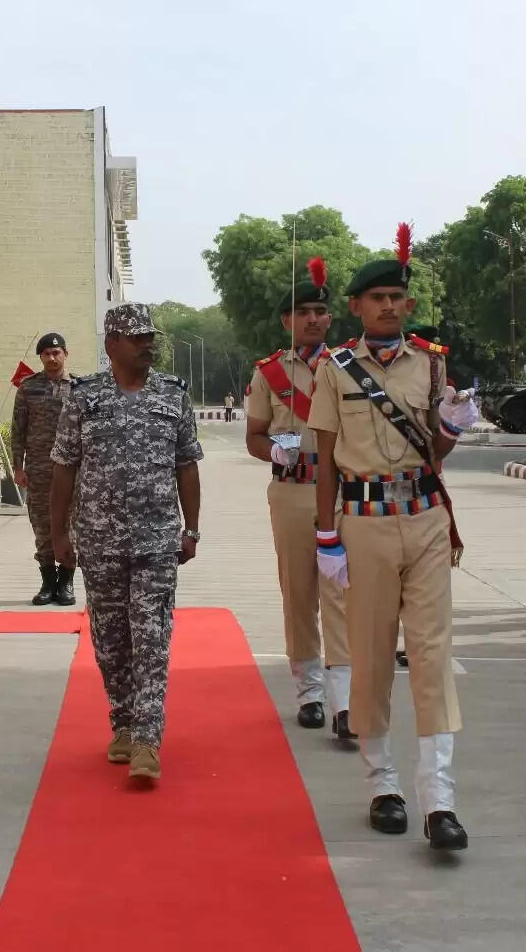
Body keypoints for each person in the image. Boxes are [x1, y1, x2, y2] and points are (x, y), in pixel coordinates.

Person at [309, 223, 473, 852]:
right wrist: (327, 536)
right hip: (365, 522)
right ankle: (382, 784)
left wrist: (454, 428)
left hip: (427, 518)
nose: (386, 306)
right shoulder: (334, 370)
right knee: (373, 656)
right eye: (375, 298)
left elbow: (434, 451)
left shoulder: (430, 365)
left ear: (407, 305)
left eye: (395, 298)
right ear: (356, 307)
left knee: (431, 656)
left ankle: (440, 800)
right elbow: (325, 458)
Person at [50, 303, 203, 784]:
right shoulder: (83, 396)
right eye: (136, 338)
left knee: (152, 636)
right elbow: (64, 466)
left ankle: (147, 741)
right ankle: (122, 725)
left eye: (150, 337)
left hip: (158, 538)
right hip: (98, 539)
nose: (147, 345)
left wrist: (191, 528)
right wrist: (58, 533)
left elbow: (187, 464)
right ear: (112, 343)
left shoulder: (174, 395)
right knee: (111, 639)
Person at [245, 257, 352, 737]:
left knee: (343, 592)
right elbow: (253, 435)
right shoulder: (269, 373)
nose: (311, 319)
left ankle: (345, 698)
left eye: (318, 311)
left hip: (342, 491)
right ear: (287, 321)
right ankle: (308, 691)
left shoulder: (350, 367)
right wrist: (273, 451)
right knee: (298, 592)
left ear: (330, 318)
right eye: (301, 312)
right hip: (290, 490)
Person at [12, 332, 74, 607]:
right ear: (41, 357)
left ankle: (67, 582)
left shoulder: (79, 388)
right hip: (37, 469)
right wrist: (18, 466)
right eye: (46, 354)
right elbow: (18, 430)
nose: (52, 358)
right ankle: (48, 582)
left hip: (70, 470)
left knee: (70, 526)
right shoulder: (28, 388)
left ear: (65, 354)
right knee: (41, 526)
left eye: (56, 352)